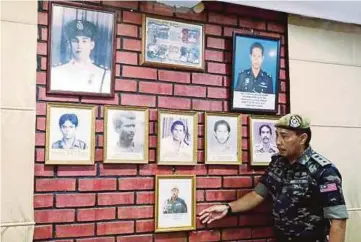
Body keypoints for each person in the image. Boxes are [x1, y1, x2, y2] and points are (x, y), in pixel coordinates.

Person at [199, 114, 348, 242]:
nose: (277, 142)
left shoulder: (324, 171)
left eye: (284, 136)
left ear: (302, 138)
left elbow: (338, 221)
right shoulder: (278, 163)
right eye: (276, 135)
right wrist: (228, 208)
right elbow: (257, 194)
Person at [51, 19, 111, 94]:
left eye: (84, 41)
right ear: (69, 44)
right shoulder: (57, 72)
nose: (79, 45)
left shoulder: (103, 74)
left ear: (92, 45)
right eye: (75, 41)